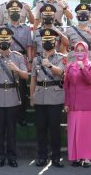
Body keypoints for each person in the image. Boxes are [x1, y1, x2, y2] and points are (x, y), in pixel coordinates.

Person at [0, 27, 28, 168]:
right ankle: (0, 157)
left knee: (11, 130)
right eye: (1, 40)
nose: (4, 42)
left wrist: (16, 69)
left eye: (7, 39)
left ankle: (12, 157)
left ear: (11, 41)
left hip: (12, 98)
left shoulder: (18, 57)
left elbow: (26, 76)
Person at [30, 28, 66, 168]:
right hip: (40, 96)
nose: (47, 43)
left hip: (55, 96)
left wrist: (50, 65)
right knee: (41, 129)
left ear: (55, 42)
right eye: (45, 41)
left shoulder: (61, 57)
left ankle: (56, 157)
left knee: (55, 129)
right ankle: (41, 156)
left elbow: (62, 72)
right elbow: (33, 79)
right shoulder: (36, 60)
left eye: (50, 41)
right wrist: (32, 97)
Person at [64, 41, 91, 167]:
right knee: (74, 131)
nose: (79, 53)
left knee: (86, 131)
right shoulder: (69, 66)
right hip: (73, 104)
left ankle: (87, 157)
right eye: (77, 50)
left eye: (82, 50)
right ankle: (76, 157)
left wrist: (83, 68)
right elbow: (66, 86)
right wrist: (67, 103)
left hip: (87, 104)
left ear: (87, 51)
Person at [4, 0, 32, 126]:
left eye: (17, 11)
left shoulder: (26, 29)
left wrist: (29, 62)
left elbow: (29, 46)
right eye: (12, 11)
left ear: (21, 13)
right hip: (6, 59)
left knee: (22, 90)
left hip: (21, 59)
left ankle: (22, 116)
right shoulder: (3, 29)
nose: (14, 13)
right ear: (8, 13)